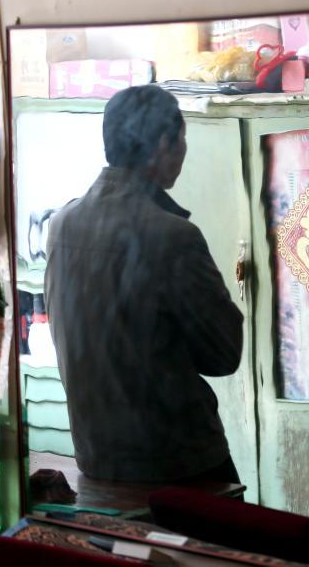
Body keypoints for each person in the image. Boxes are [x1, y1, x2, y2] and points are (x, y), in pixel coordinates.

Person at [44, 84, 244, 484]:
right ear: (160, 147)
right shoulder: (171, 237)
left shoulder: (62, 226)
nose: (184, 152)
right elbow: (224, 354)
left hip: (96, 459)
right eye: (181, 139)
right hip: (176, 463)